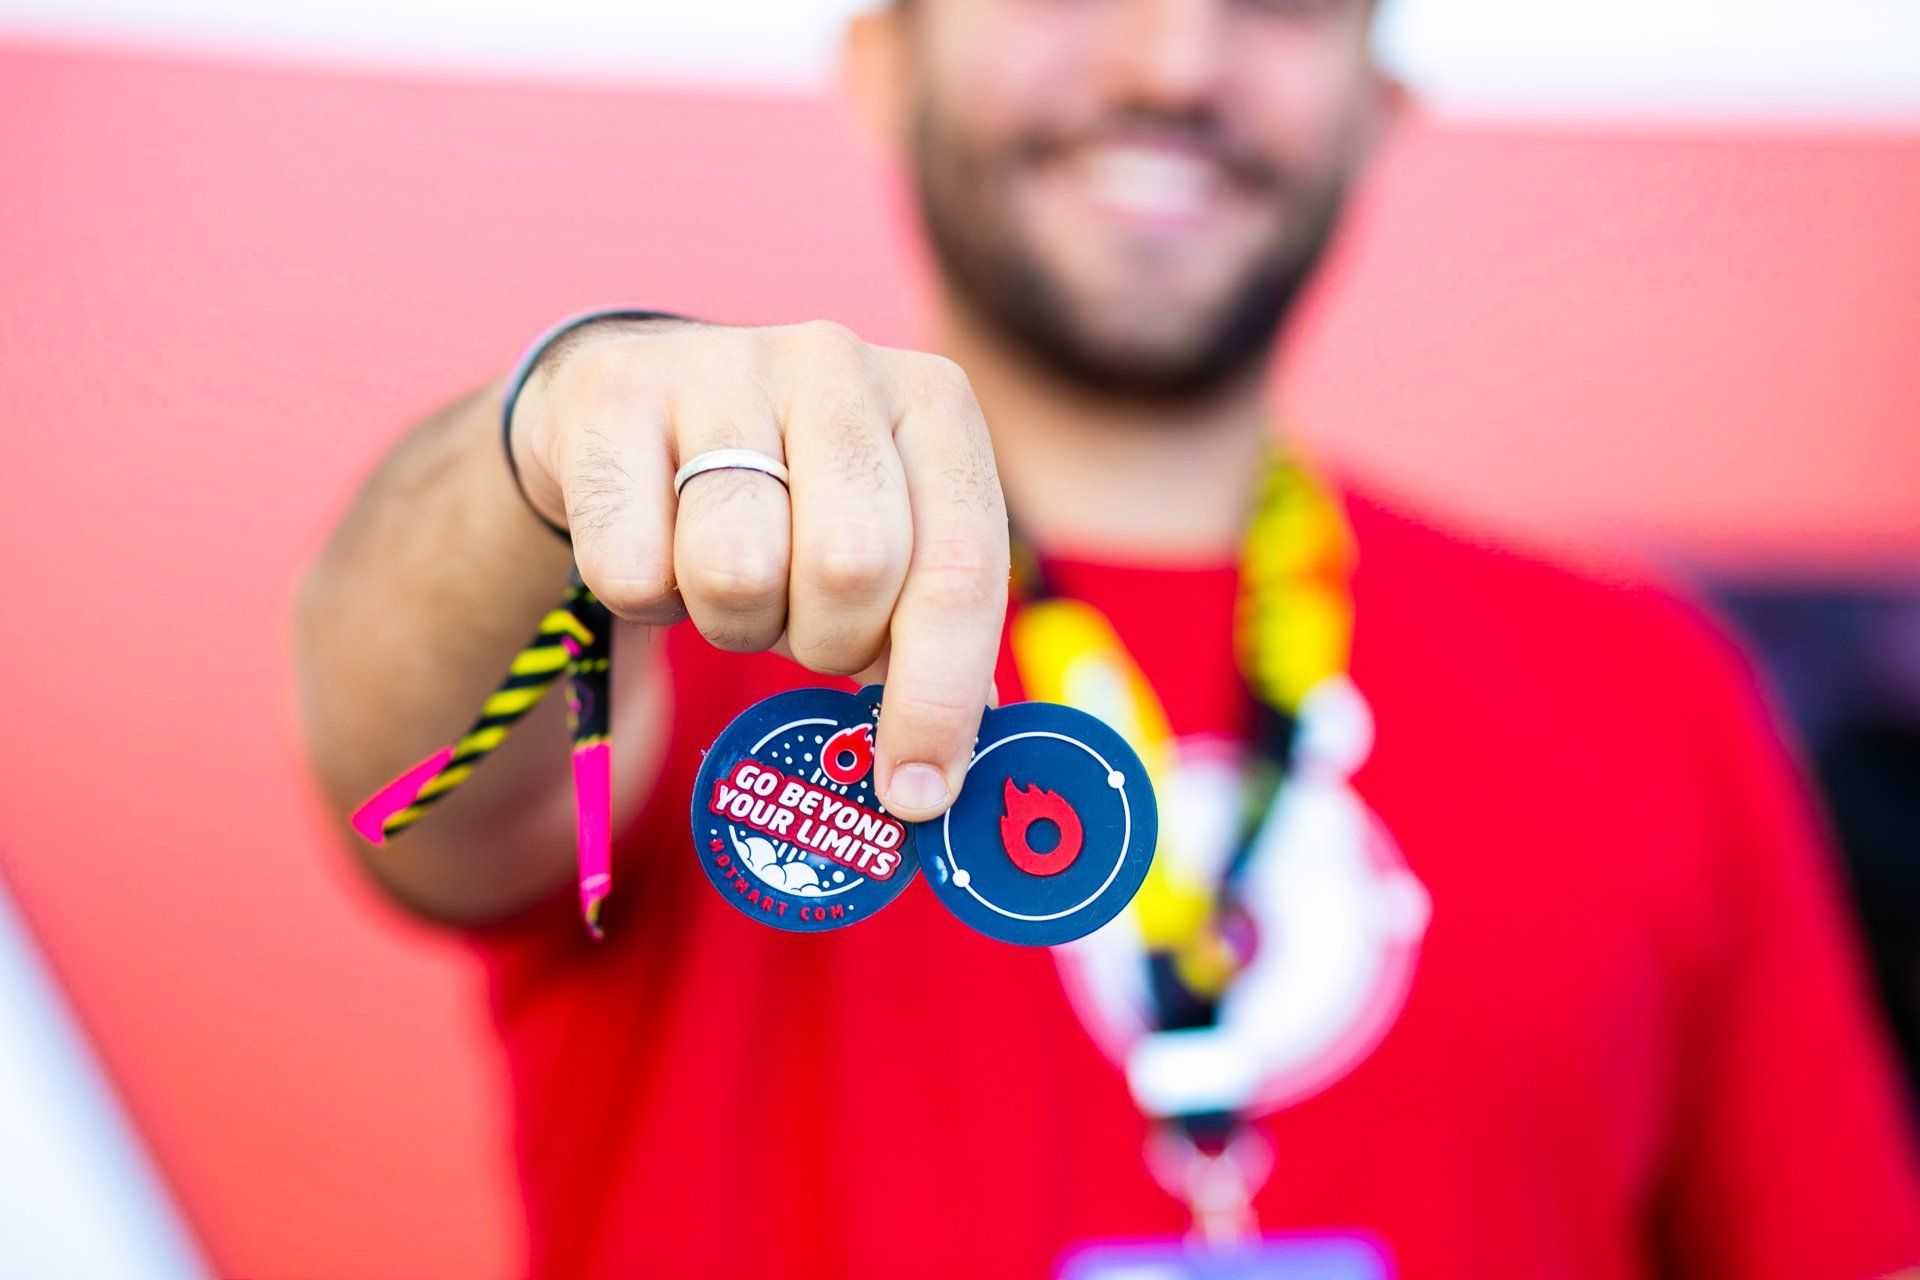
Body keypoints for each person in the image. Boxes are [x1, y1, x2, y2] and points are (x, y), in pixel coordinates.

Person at [292, 1, 1920, 1276]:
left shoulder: (1647, 689)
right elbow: (399, 797)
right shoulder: (672, 603)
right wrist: (549, 444)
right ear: (881, 62)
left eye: (1277, 1)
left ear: (1380, 115)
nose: (1171, 60)